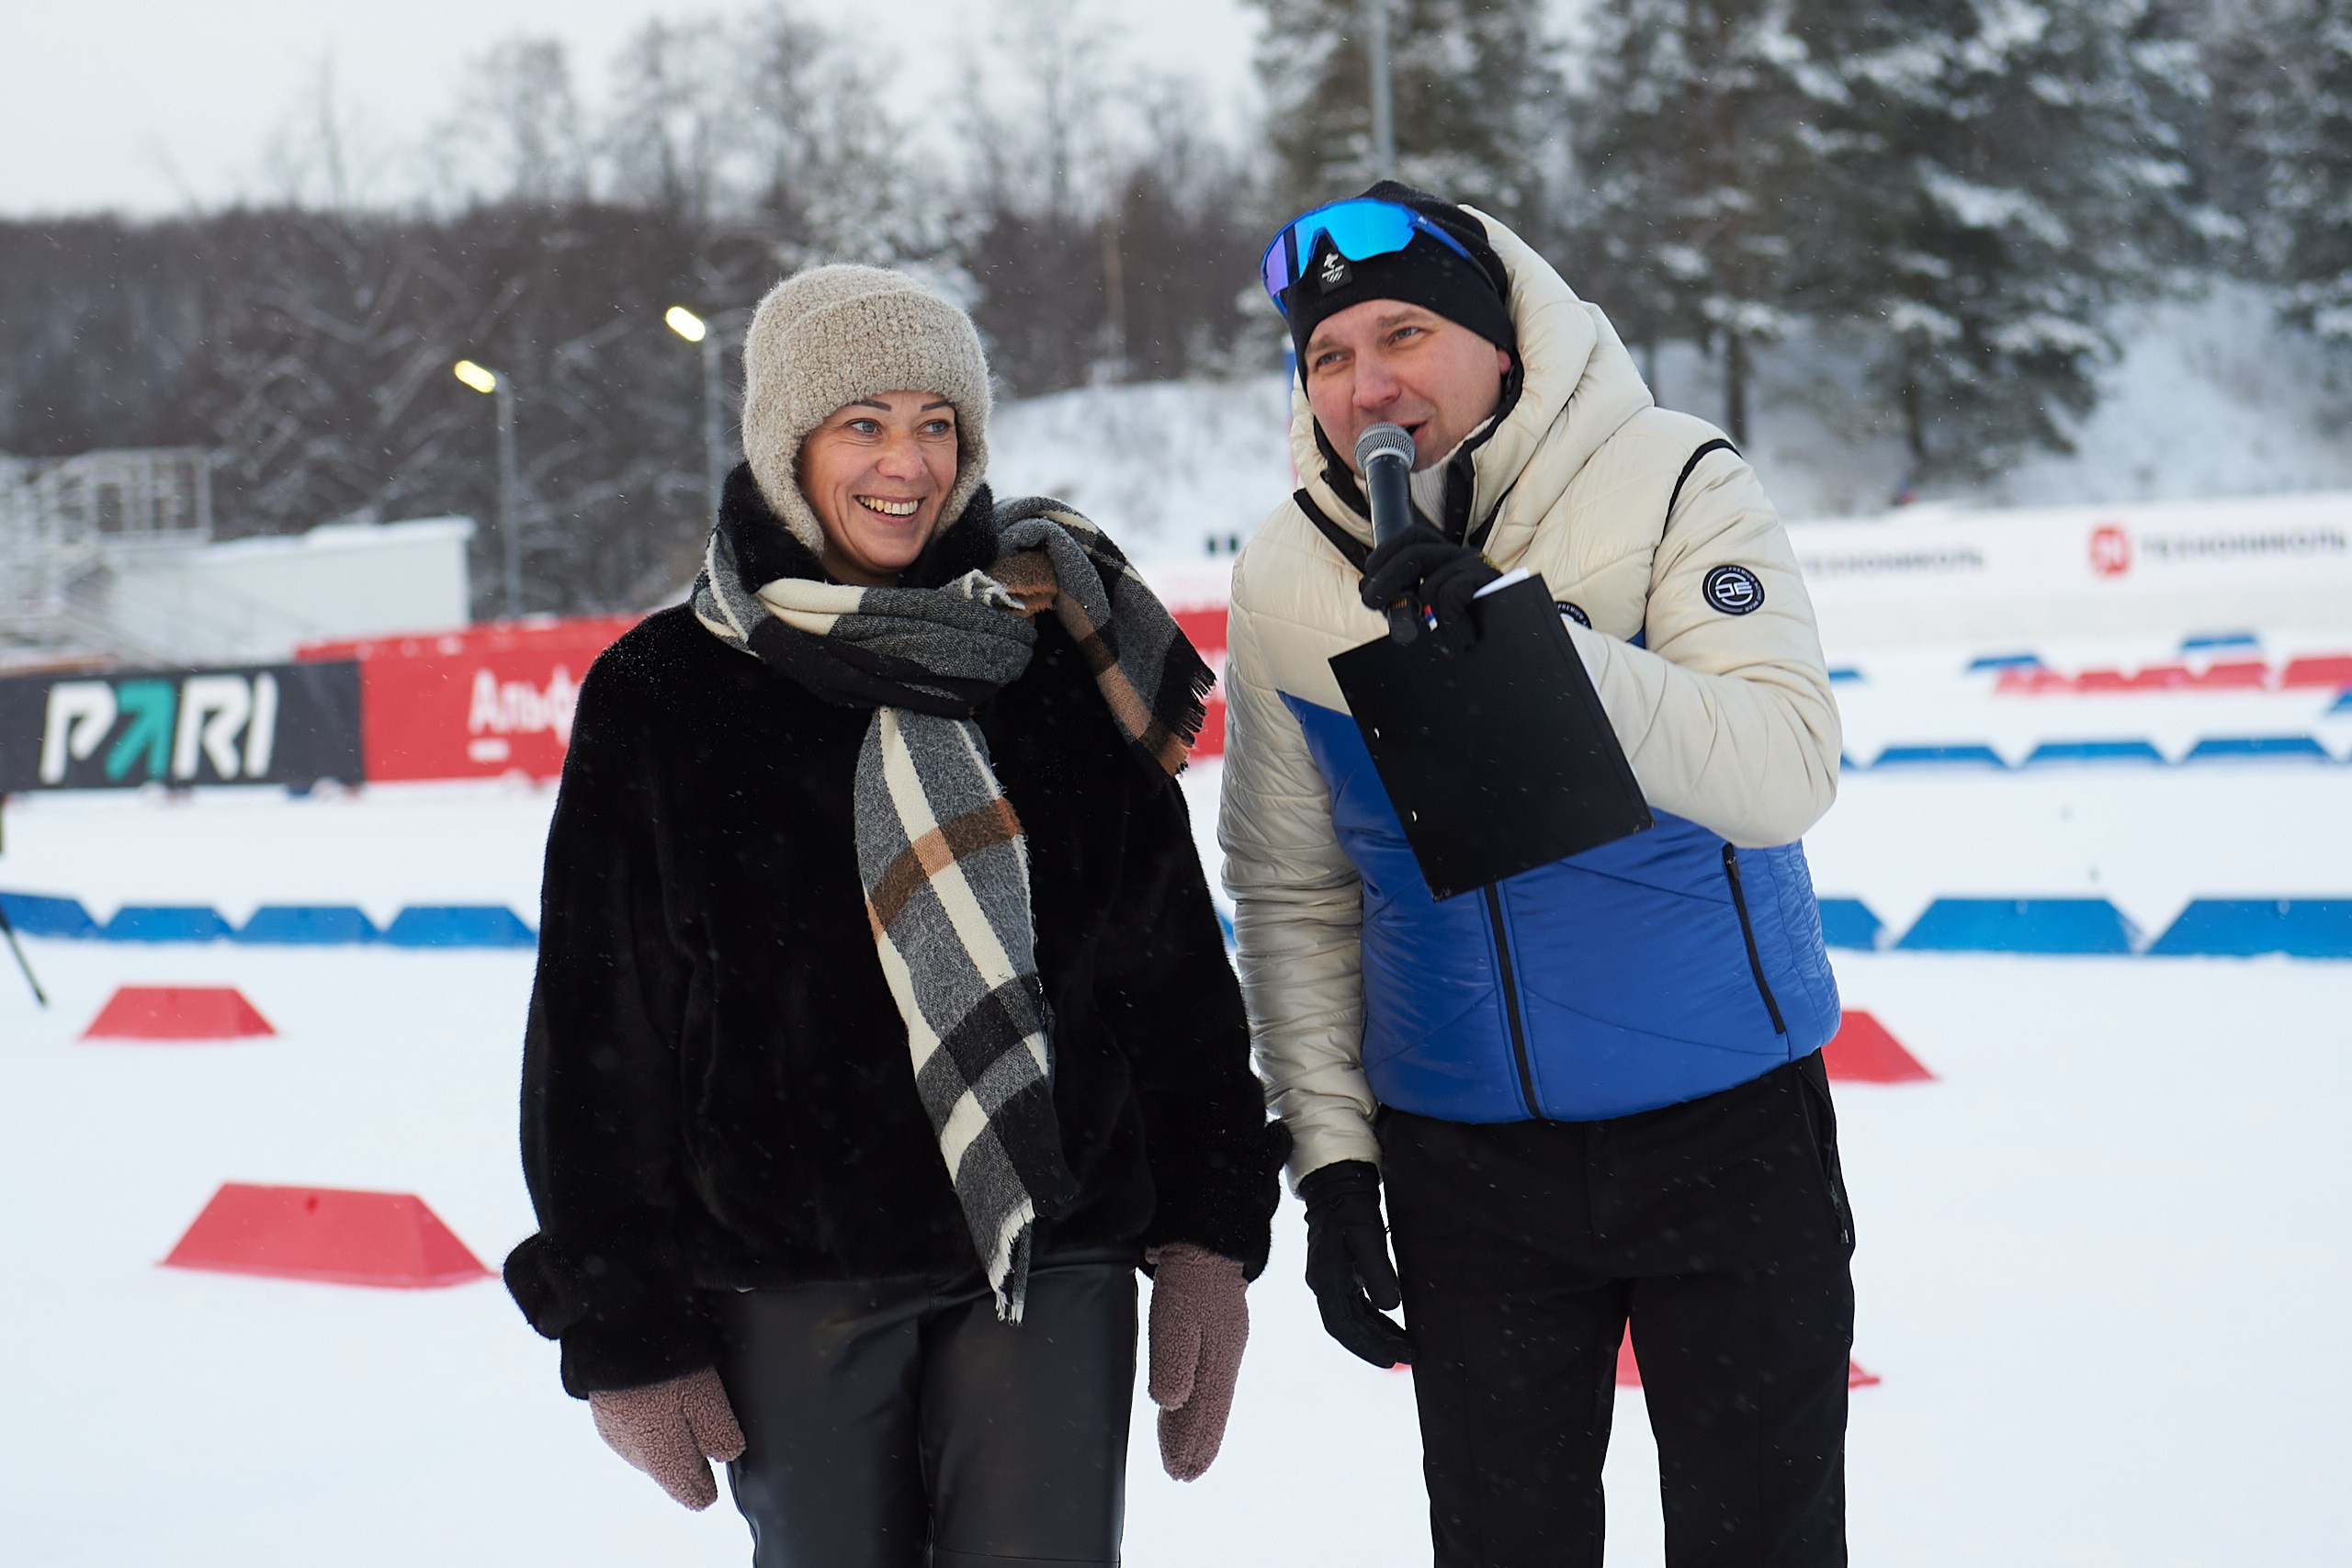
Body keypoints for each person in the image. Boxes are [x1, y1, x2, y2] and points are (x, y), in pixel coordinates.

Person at [504, 264, 1282, 1567]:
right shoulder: (663, 693)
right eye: (862, 423)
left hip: (1054, 1254)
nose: (906, 464)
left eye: (937, 426)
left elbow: (1168, 979)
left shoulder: (1055, 660)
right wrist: (625, 1332)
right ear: (787, 443)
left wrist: (1208, 1230)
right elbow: (601, 1034)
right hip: (792, 1280)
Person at [1221, 184, 1853, 1566]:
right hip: (1469, 1172)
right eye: (1327, 355)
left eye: (1404, 334)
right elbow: (1291, 893)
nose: (1367, 383)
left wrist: (1538, 650)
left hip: (1726, 1136)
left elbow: (1783, 768)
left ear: (1503, 341)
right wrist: (1331, 1160)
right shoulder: (1283, 576)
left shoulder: (1676, 478)